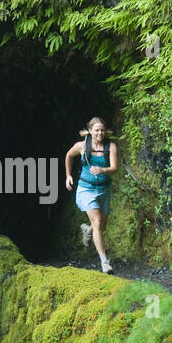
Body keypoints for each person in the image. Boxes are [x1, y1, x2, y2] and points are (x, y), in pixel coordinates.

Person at [64, 117, 118, 273]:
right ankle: (105, 262)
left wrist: (103, 170)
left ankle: (88, 231)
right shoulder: (81, 146)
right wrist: (68, 176)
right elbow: (68, 156)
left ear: (105, 131)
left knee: (101, 226)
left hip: (104, 189)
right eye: (96, 130)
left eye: (102, 130)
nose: (99, 133)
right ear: (90, 131)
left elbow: (115, 168)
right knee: (98, 222)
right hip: (86, 189)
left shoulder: (111, 147)